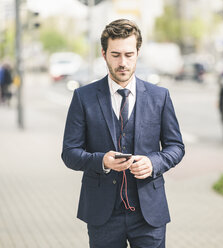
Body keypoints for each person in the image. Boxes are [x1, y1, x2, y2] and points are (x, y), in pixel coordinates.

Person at [61, 19, 184, 247]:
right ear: (104, 54)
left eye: (129, 54)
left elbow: (176, 147)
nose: (123, 63)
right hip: (103, 215)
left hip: (149, 214)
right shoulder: (83, 98)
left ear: (138, 53)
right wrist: (102, 161)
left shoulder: (160, 97)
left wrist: (153, 162)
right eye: (115, 55)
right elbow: (69, 153)